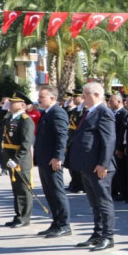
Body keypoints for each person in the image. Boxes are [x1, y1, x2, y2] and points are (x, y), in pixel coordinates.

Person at [69, 82, 117, 252]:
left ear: (96, 94)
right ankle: (97, 234)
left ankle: (108, 236)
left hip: (99, 167)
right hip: (87, 165)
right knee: (94, 203)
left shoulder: (104, 112)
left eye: (85, 94)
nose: (83, 97)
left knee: (103, 202)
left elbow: (109, 140)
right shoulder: (89, 111)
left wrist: (103, 164)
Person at [34, 86, 71, 237]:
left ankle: (64, 224)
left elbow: (62, 137)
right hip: (44, 160)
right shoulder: (46, 113)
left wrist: (58, 157)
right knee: (49, 193)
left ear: (52, 98)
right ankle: (56, 222)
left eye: (42, 97)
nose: (38, 99)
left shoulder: (58, 113)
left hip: (52, 160)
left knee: (57, 192)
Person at [2, 91, 36, 228]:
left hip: (20, 160)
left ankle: (24, 217)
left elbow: (26, 143)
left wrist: (16, 159)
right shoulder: (11, 118)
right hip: (11, 158)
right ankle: (18, 215)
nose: (10, 103)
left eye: (13, 102)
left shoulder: (25, 120)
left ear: (22, 105)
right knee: (16, 190)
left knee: (23, 189)